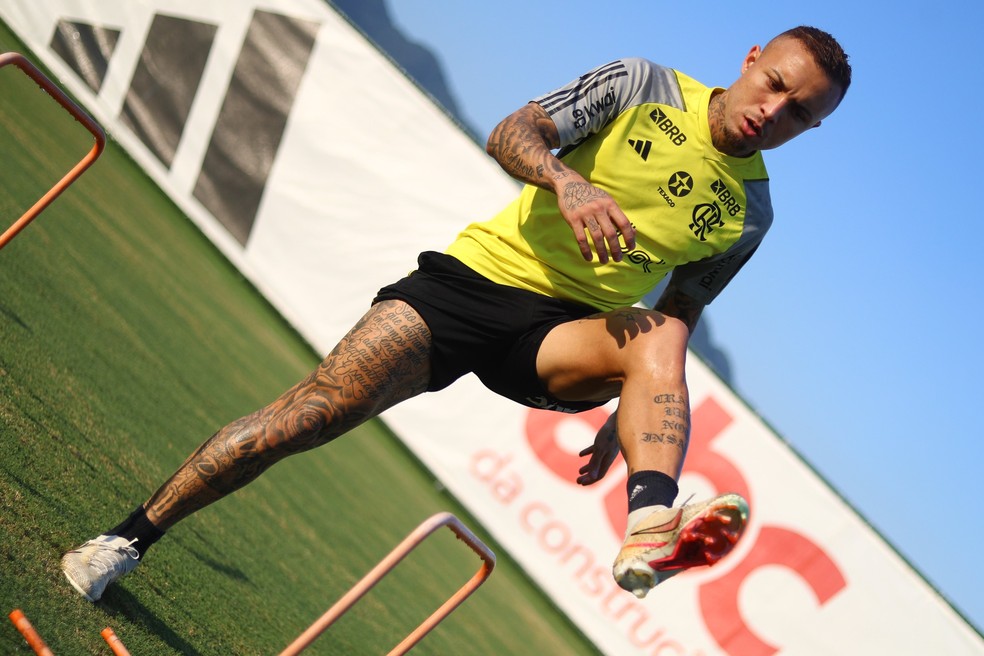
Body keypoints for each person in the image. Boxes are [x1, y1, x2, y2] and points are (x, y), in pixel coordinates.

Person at [62, 25, 851, 602]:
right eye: (775, 85)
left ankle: (650, 522)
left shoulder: (749, 214)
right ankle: (125, 539)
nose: (772, 112)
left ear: (810, 129)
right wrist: (566, 183)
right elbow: (514, 132)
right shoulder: (643, 84)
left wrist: (641, 407)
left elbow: (679, 314)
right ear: (751, 59)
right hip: (470, 288)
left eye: (799, 115)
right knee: (312, 412)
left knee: (653, 337)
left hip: (563, 339)